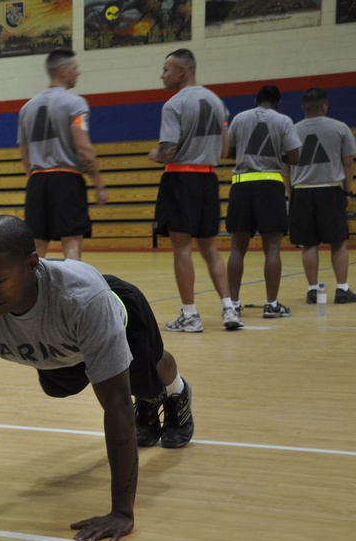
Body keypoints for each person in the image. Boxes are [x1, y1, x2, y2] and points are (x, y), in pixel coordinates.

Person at [0, 216, 195, 541]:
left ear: (32, 265)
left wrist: (122, 512)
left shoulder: (83, 299)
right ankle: (147, 400)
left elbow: (116, 404)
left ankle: (176, 389)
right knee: (55, 387)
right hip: (60, 350)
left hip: (121, 316)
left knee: (147, 384)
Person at [148, 48, 242, 332]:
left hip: (180, 179)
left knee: (182, 249)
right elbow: (226, 149)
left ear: (182, 71)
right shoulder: (216, 102)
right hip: (208, 179)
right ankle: (229, 308)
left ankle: (190, 314)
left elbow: (169, 150)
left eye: (166, 69)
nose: (162, 74)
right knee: (210, 248)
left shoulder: (173, 104)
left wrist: (155, 153)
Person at [17, 48, 107, 261]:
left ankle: (35, 293)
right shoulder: (75, 104)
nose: (78, 72)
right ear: (64, 71)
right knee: (72, 243)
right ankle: (72, 293)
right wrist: (99, 184)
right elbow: (83, 148)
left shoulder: (26, 109)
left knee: (36, 248)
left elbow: (24, 154)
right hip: (66, 179)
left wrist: (37, 179)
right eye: (76, 68)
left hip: (37, 181)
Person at [224, 84, 302, 318]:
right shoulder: (284, 120)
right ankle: (272, 304)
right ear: (278, 103)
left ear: (255, 100)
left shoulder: (239, 118)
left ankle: (234, 304)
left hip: (241, 184)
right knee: (272, 248)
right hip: (270, 185)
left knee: (237, 247)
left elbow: (228, 152)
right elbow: (296, 157)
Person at [285, 87, 356, 305]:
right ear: (324, 106)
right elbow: (347, 163)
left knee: (309, 244)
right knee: (338, 243)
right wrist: (347, 191)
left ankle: (313, 290)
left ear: (302, 108)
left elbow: (286, 167)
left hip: (302, 190)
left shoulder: (292, 131)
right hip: (330, 188)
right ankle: (342, 289)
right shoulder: (340, 128)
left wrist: (291, 194)